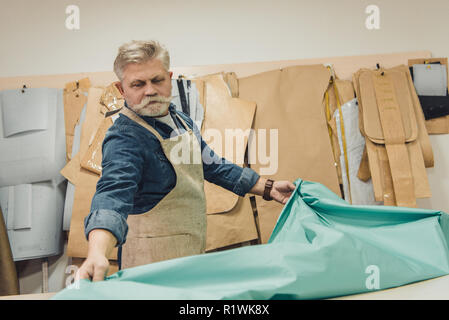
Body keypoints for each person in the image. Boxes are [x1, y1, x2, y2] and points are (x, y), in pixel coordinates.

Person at [77, 40, 296, 282]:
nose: (150, 91)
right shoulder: (125, 138)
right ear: (121, 89)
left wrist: (268, 187)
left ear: (169, 78)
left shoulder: (180, 120)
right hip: (150, 271)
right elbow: (112, 195)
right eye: (138, 84)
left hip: (189, 258)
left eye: (157, 80)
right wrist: (97, 253)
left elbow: (211, 165)